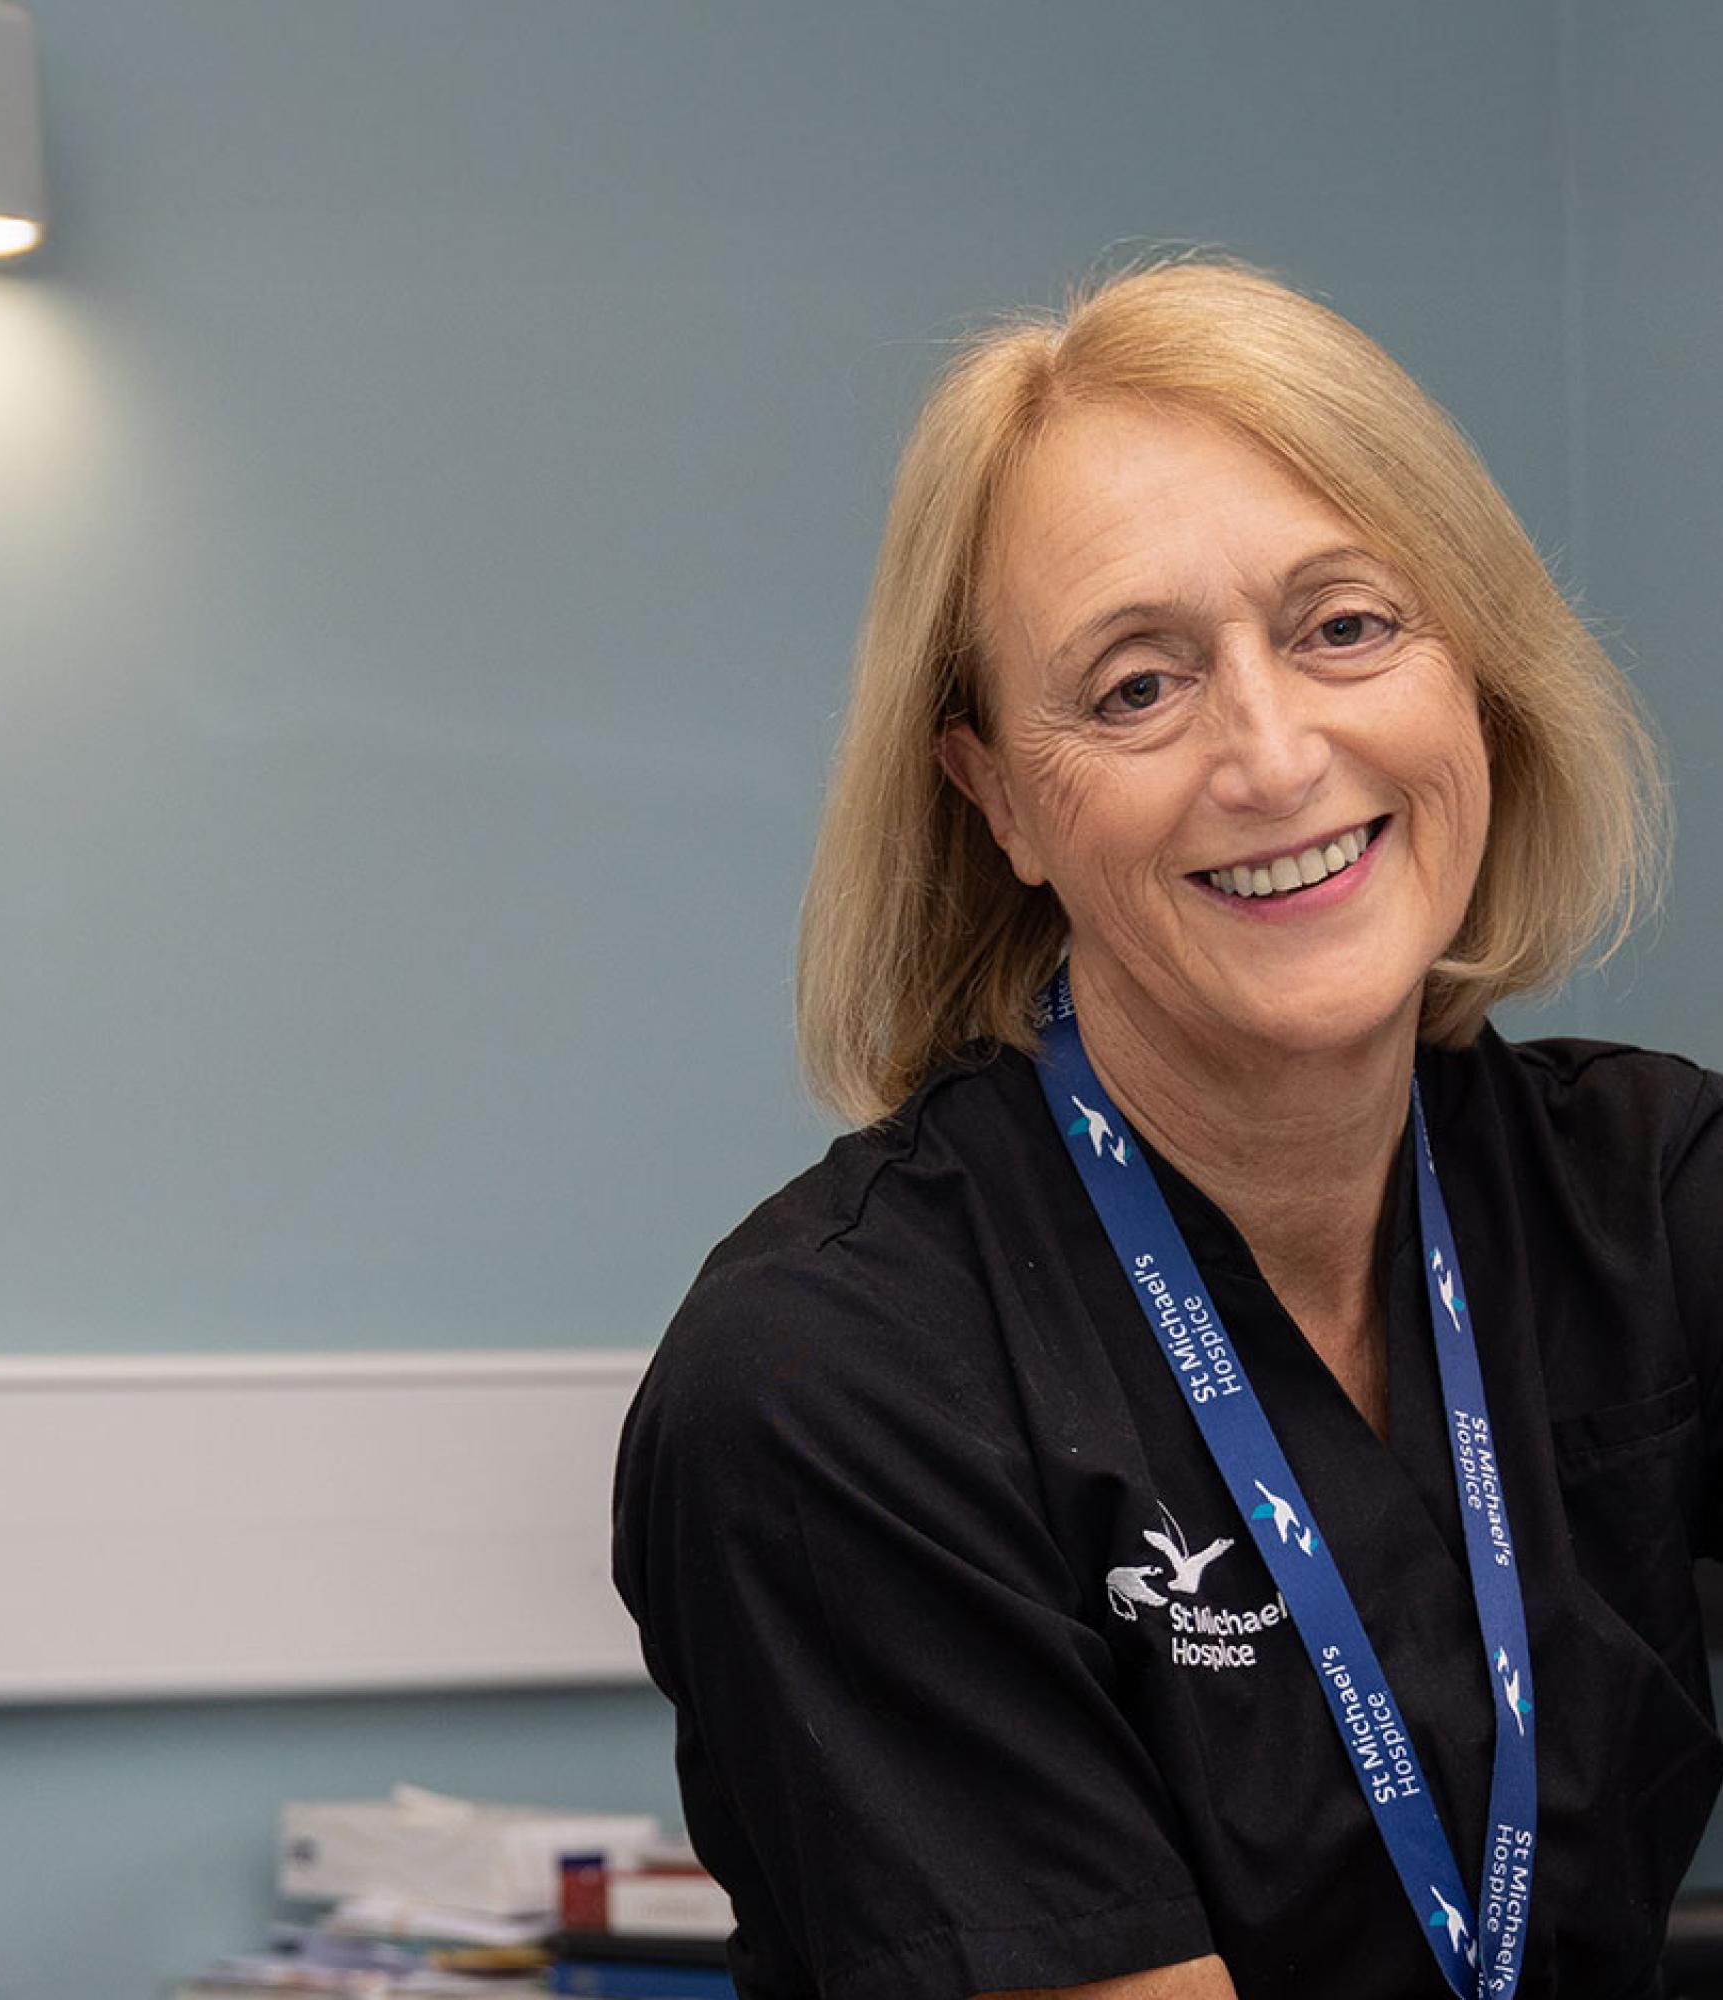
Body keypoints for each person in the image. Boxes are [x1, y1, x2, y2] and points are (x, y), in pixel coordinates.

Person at [611, 256, 1723, 2000]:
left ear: (1476, 669)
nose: (1273, 756)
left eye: (1344, 625)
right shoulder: (831, 1385)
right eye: (1135, 687)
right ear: (996, 799)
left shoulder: (1653, 1203)